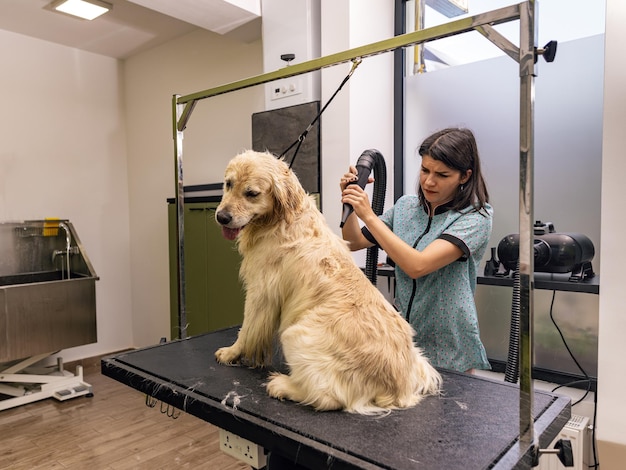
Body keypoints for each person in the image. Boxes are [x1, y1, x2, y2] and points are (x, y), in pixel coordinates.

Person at [340, 127, 492, 373]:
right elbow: (353, 242)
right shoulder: (406, 207)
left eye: (442, 175)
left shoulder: (476, 217)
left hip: (449, 343)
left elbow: (417, 266)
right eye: (425, 170)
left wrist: (368, 215)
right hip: (404, 335)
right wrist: (349, 199)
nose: (429, 181)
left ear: (464, 176)